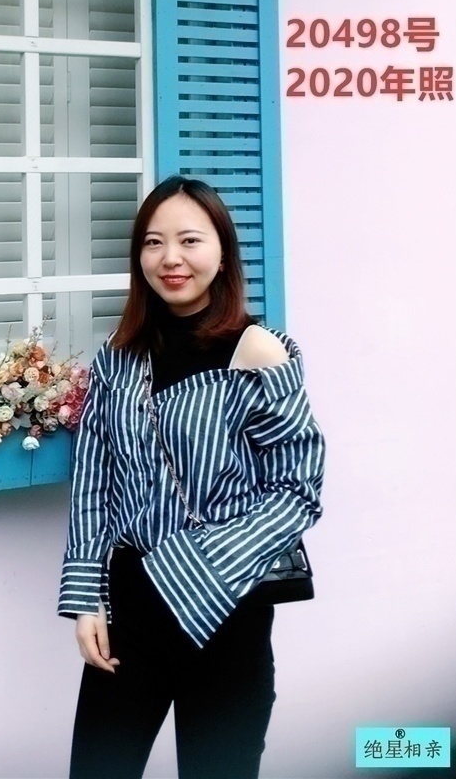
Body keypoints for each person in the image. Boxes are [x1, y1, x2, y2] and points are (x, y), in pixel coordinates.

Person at [57, 175, 325, 779]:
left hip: (227, 611)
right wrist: (86, 599)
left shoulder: (258, 353)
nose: (170, 258)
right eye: (153, 243)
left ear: (222, 253)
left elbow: (297, 489)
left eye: (190, 240)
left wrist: (196, 567)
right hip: (130, 609)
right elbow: (94, 481)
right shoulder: (119, 354)